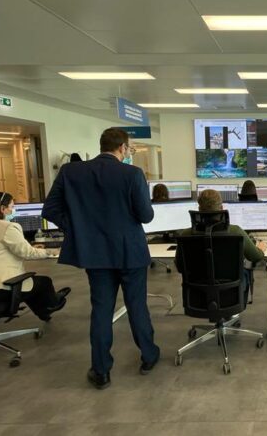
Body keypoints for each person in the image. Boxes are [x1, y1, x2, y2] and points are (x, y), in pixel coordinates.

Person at [42, 128, 159, 390]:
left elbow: (50, 209)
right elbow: (146, 216)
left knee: (101, 310)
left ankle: (101, 370)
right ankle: (149, 356)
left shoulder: (70, 172)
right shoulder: (132, 174)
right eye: (129, 148)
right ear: (123, 148)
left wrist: (78, 228)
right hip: (130, 252)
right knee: (137, 306)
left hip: (94, 253)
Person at [0, 192, 69, 321]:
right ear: (2, 209)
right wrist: (51, 251)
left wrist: (30, 246)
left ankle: (44, 312)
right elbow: (28, 253)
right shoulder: (8, 227)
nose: (13, 210)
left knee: (30, 285)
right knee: (43, 283)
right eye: (12, 207)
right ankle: (53, 303)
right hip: (2, 287)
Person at [177, 189, 267, 295]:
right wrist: (261, 248)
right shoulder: (235, 231)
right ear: (221, 208)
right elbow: (256, 257)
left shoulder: (186, 234)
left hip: (196, 294)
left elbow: (180, 267)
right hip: (230, 294)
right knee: (245, 272)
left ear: (199, 209)